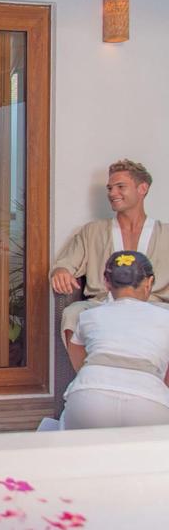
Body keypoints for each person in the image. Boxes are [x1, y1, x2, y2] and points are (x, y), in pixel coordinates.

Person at [51, 159, 169, 346]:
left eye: (120, 186)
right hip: (103, 304)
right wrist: (61, 271)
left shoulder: (165, 234)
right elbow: (66, 264)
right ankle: (86, 373)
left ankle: (157, 376)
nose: (112, 193)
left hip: (153, 305)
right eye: (109, 188)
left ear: (142, 188)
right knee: (72, 314)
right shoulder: (92, 231)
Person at [62, 251, 169, 430]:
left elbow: (80, 364)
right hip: (148, 404)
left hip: (89, 400)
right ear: (149, 282)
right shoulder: (166, 317)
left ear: (106, 282)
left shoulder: (88, 316)